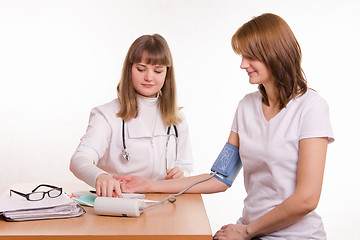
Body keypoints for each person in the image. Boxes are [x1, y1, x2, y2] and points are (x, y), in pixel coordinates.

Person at [116, 13, 334, 240]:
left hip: (293, 235)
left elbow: (307, 198)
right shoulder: (247, 107)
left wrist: (247, 231)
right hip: (251, 229)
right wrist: (150, 185)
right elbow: (220, 177)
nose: (242, 64)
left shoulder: (311, 107)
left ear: (274, 53)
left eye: (250, 56)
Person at [70, 34, 193, 198]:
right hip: (119, 203)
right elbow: (79, 160)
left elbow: (186, 168)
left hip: (162, 203)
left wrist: (180, 174)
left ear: (167, 74)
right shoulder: (105, 115)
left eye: (158, 70)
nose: (149, 77)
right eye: (141, 69)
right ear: (129, 69)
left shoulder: (178, 120)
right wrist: (100, 177)